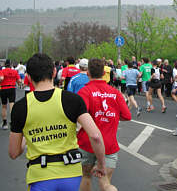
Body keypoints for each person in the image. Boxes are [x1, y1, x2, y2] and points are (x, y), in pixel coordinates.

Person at [9, 53, 106, 191]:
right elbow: (96, 136)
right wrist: (101, 164)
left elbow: (13, 152)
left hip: (40, 175)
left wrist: (26, 136)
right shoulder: (72, 100)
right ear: (54, 72)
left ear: (29, 77)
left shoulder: (21, 107)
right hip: (70, 173)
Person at [77, 58, 131, 191]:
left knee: (86, 177)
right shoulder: (115, 93)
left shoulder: (84, 92)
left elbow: (79, 116)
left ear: (88, 73)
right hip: (108, 144)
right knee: (105, 182)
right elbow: (127, 116)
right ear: (103, 73)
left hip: (87, 143)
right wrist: (109, 117)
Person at [0, 59, 21, 129]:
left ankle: (5, 123)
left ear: (5, 65)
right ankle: (13, 122)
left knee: (4, 106)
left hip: (3, 89)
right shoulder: (14, 71)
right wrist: (18, 83)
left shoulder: (2, 71)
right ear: (10, 65)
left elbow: (1, 78)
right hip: (12, 88)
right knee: (12, 105)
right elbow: (19, 81)